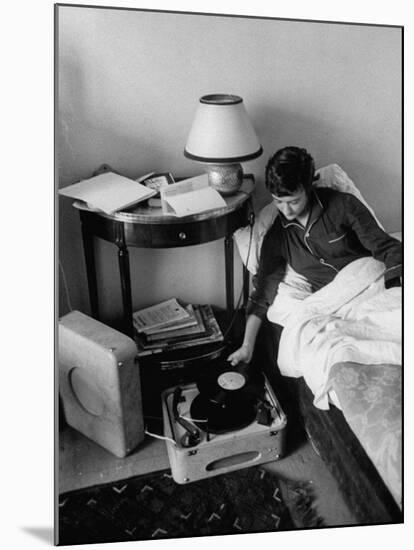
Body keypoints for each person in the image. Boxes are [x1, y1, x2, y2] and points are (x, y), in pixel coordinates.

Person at [227, 146, 402, 366]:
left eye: (293, 201)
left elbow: (386, 247)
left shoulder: (343, 206)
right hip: (336, 305)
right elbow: (262, 294)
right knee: (345, 351)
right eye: (279, 201)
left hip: (371, 284)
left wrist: (395, 291)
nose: (286, 210)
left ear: (309, 187)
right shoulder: (277, 237)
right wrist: (246, 346)